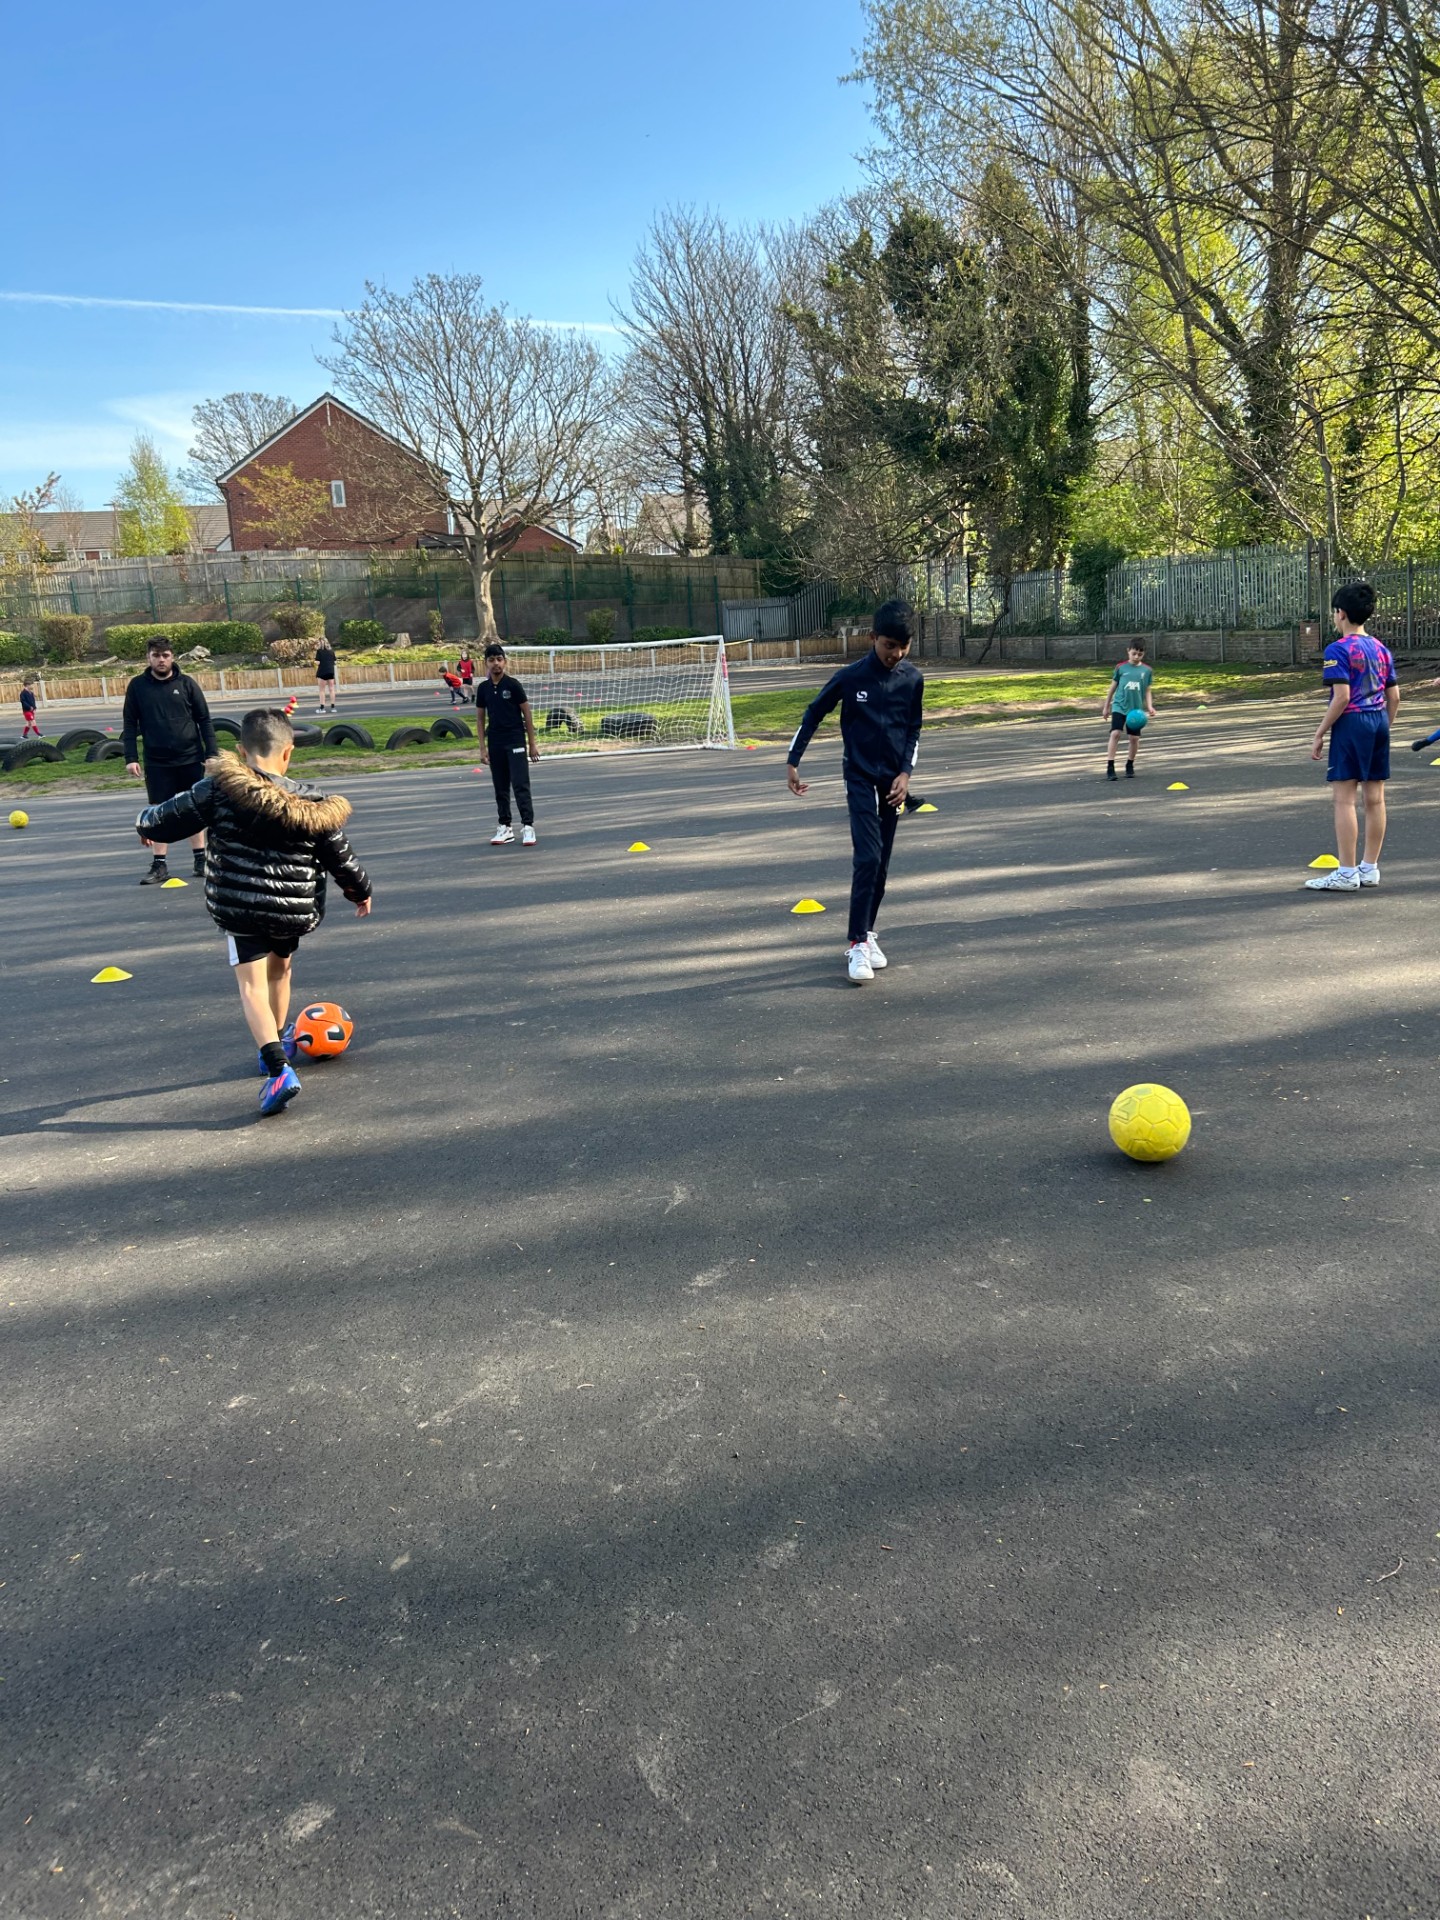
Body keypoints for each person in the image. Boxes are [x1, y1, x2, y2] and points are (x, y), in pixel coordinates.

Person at [135, 707, 373, 1117]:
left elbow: (163, 818)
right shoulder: (313, 803)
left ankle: (278, 1069)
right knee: (281, 970)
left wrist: (145, 825)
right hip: (291, 909)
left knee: (251, 986)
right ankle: (277, 1043)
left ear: (242, 751)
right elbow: (341, 856)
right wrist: (359, 891)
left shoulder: (217, 789)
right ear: (288, 753)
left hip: (239, 906)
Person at [786, 599, 924, 983]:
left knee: (880, 867)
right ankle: (856, 943)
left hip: (893, 786)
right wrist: (793, 760)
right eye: (888, 646)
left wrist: (906, 774)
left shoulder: (913, 679)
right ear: (872, 638)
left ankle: (867, 931)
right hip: (860, 778)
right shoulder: (851, 678)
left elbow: (913, 730)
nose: (896, 654)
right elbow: (814, 713)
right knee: (867, 858)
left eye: (903, 646)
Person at [1305, 580, 1398, 892]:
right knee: (1375, 798)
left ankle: (1346, 872)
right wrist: (1385, 725)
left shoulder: (1338, 650)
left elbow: (1341, 697)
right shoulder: (1381, 649)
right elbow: (1394, 696)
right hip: (1379, 721)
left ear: (1340, 613)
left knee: (1344, 799)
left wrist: (1320, 732)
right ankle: (1369, 867)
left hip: (1352, 723)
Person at [122, 636, 218, 884]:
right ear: (148, 658)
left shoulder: (187, 684)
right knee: (158, 812)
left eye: (165, 655)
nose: (161, 659)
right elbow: (130, 725)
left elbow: (204, 721)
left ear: (172, 657)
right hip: (157, 761)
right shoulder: (137, 687)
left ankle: (200, 860)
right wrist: (130, 757)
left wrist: (211, 754)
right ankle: (159, 865)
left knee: (194, 810)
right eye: (156, 655)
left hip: (190, 758)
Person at [475, 643, 540, 847]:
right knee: (500, 787)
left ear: (505, 662)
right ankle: (505, 826)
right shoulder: (483, 688)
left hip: (515, 740)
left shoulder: (513, 685)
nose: (496, 664)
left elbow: (527, 714)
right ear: (485, 663)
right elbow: (479, 719)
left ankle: (528, 827)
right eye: (492, 660)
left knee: (520, 784)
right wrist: (483, 748)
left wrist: (532, 744)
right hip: (495, 742)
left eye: (499, 659)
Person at [1101, 641, 1156, 779]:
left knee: (1134, 738)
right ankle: (1110, 766)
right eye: (1134, 653)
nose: (1137, 656)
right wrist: (1106, 706)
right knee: (1115, 734)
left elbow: (1148, 690)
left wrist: (1149, 706)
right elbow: (1112, 688)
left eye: (1140, 654)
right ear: (1128, 651)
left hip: (1135, 710)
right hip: (1119, 706)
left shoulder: (1147, 670)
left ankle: (1130, 764)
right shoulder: (1121, 668)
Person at [314, 637, 339, 714]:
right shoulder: (331, 652)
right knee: (331, 689)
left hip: (322, 672)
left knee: (322, 690)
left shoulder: (319, 651)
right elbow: (335, 661)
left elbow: (317, 662)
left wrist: (314, 661)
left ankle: (322, 708)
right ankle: (333, 707)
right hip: (330, 671)